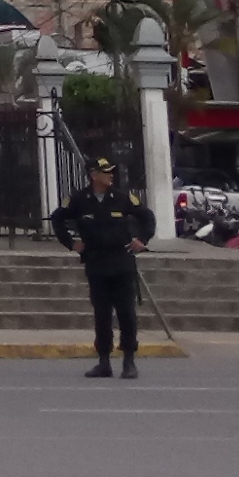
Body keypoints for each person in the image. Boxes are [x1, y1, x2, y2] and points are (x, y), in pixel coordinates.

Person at [51, 154, 153, 378]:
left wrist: (142, 240)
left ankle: (129, 361)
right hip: (96, 264)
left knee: (127, 313)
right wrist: (70, 242)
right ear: (93, 176)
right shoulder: (79, 200)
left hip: (122, 262)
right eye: (106, 172)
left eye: (111, 172)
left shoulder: (122, 197)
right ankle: (104, 361)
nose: (110, 176)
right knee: (102, 314)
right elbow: (57, 218)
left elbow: (147, 217)